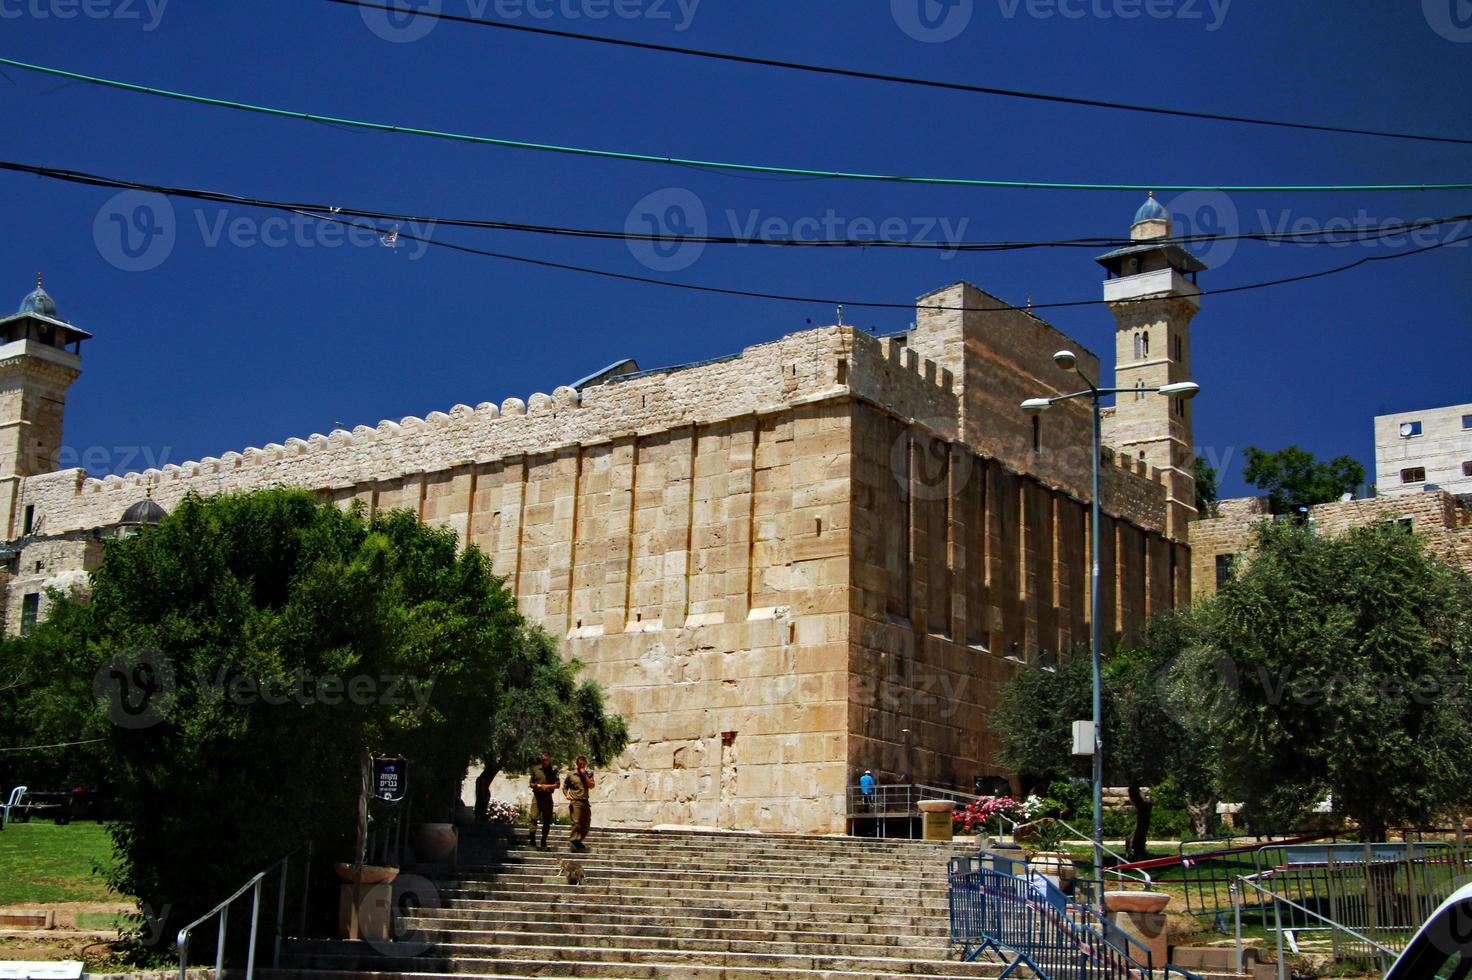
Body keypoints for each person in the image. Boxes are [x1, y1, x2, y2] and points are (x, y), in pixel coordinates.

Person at [527, 752, 559, 850]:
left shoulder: (554, 770)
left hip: (547, 797)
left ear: (549, 759)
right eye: (543, 759)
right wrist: (535, 786)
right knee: (533, 817)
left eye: (546, 760)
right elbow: (531, 783)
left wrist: (546, 786)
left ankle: (543, 840)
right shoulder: (536, 769)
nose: (544, 761)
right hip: (537, 796)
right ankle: (532, 839)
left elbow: (557, 785)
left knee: (547, 820)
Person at [562, 755, 595, 852]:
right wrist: (566, 795)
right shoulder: (571, 774)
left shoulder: (589, 774)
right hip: (575, 801)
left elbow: (592, 785)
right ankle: (573, 841)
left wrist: (585, 776)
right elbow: (564, 787)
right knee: (576, 823)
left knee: (586, 824)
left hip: (585, 801)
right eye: (580, 764)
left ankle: (578, 840)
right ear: (577, 764)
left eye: (583, 764)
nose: (582, 765)